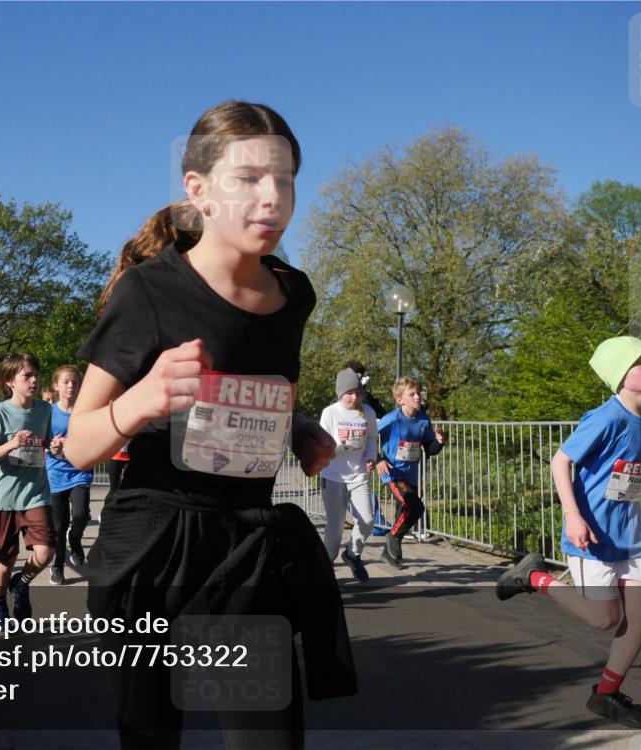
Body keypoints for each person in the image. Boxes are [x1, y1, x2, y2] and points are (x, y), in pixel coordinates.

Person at [64, 100, 355, 750]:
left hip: (249, 549)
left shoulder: (293, 294)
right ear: (198, 188)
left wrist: (298, 426)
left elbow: (252, 387)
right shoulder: (149, 294)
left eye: (285, 180)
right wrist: (143, 399)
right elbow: (79, 444)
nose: (272, 197)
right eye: (249, 178)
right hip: (155, 547)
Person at [496, 336, 641, 729]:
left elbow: (637, 476)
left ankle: (605, 695)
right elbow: (560, 462)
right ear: (620, 376)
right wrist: (572, 515)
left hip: (629, 534)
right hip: (592, 534)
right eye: (640, 363)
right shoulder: (605, 418)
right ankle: (534, 577)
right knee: (606, 619)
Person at [0, 352, 54, 624]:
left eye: (36, 375)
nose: (33, 380)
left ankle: (20, 584)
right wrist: (12, 444)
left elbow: (45, 443)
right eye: (27, 376)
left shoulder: (45, 410)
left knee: (45, 553)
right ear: (11, 381)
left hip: (36, 493)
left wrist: (52, 446)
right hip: (4, 498)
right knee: (2, 561)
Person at [375, 376, 445, 569]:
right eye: (412, 394)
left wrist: (439, 442)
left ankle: (389, 555)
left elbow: (429, 448)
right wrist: (378, 459)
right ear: (400, 400)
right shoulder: (391, 419)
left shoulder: (423, 419)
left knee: (404, 514)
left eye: (418, 393)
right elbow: (370, 438)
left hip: (411, 474)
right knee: (415, 507)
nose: (417, 397)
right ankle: (392, 537)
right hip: (393, 473)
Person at [319, 368, 378, 582]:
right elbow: (323, 447)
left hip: (358, 474)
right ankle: (328, 563)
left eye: (358, 393)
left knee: (368, 520)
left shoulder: (368, 413)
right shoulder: (330, 413)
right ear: (340, 393)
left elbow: (371, 438)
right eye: (350, 393)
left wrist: (371, 457)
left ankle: (352, 554)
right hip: (333, 474)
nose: (354, 397)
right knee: (335, 526)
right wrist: (340, 442)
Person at [45, 365, 93, 585]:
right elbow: (41, 442)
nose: (71, 386)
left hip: (79, 472)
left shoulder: (87, 411)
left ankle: (75, 539)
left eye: (75, 382)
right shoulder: (48, 412)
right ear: (56, 386)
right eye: (66, 382)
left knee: (81, 515)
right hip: (55, 474)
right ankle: (57, 566)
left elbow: (95, 438)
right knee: (59, 524)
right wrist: (50, 446)